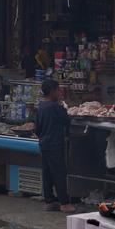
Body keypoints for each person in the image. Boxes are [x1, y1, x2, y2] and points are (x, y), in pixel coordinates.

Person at [35, 78, 74, 213]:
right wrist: (64, 109)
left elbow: (37, 128)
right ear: (52, 91)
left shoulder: (41, 107)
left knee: (47, 173)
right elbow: (66, 121)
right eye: (58, 90)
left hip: (44, 143)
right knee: (59, 173)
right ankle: (64, 203)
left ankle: (49, 201)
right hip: (55, 144)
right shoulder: (55, 107)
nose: (59, 93)